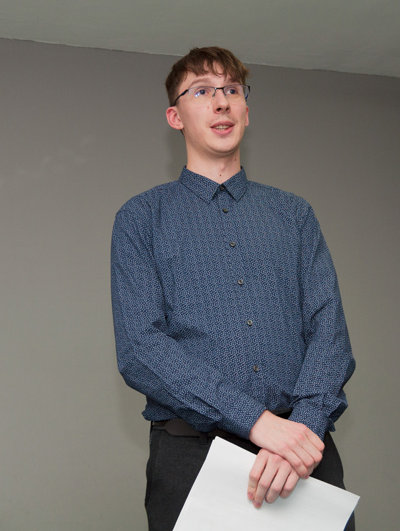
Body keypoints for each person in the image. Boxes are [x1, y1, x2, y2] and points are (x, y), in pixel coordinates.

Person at [110, 46, 356, 531]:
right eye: (202, 91)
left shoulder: (294, 214)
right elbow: (141, 348)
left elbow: (329, 330)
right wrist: (260, 424)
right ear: (175, 116)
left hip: (303, 454)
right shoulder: (140, 219)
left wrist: (299, 432)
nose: (221, 101)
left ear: (246, 110)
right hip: (192, 458)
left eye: (232, 90)